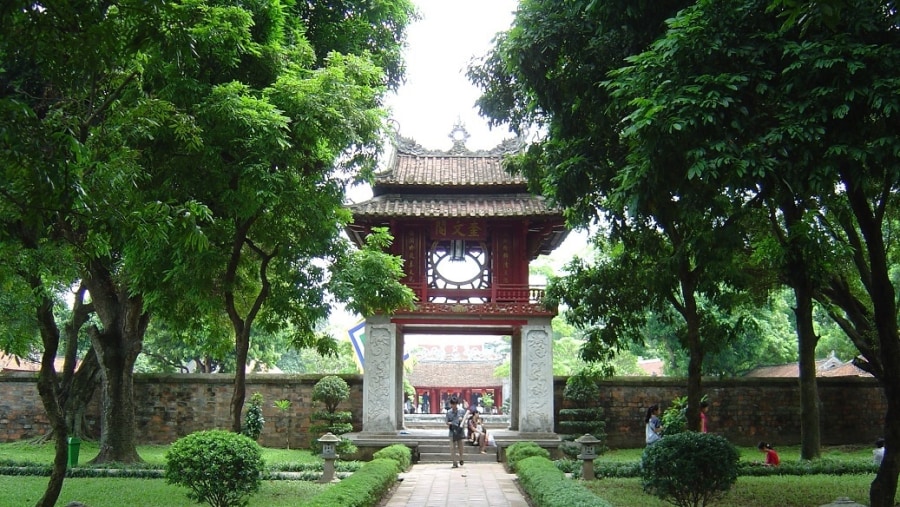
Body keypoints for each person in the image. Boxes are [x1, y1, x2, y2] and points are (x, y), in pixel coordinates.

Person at [445, 396, 466, 468]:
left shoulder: (462, 411)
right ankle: (454, 462)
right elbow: (447, 422)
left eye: (455, 404)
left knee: (461, 447)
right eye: (452, 404)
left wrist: (461, 420)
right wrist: (451, 423)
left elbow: (464, 420)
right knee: (452, 448)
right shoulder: (448, 412)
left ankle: (461, 458)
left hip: (460, 431)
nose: (454, 406)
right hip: (452, 431)